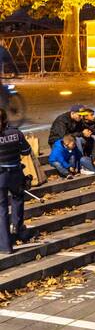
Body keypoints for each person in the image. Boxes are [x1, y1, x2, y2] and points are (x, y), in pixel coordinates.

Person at [0, 107, 32, 254]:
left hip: (1, 176)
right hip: (16, 173)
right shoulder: (16, 133)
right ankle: (17, 229)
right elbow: (26, 151)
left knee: (2, 209)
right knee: (18, 200)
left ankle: (6, 245)